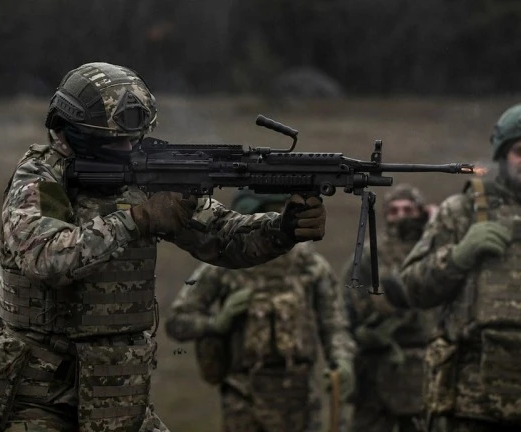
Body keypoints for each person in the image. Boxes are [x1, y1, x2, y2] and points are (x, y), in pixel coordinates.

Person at [0, 62, 327, 432]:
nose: (128, 148)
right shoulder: (42, 178)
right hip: (39, 399)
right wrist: (136, 220)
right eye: (115, 140)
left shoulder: (145, 173)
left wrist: (282, 229)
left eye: (134, 138)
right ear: (76, 132)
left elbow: (223, 237)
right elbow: (47, 257)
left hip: (119, 397)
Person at [165, 190, 355, 432]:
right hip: (244, 399)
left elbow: (334, 323)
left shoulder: (310, 266)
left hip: (300, 399)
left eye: (279, 214)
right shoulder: (223, 265)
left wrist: (341, 360)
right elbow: (177, 321)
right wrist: (217, 323)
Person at [385, 103, 521, 431]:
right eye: (520, 151)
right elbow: (412, 287)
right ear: (503, 155)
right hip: (472, 403)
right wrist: (458, 256)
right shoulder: (462, 212)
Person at [341, 184, 436, 432]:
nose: (401, 216)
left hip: (427, 362)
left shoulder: (434, 251)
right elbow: (350, 308)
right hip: (378, 364)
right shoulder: (368, 256)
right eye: (394, 210)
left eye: (408, 209)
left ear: (421, 212)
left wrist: (436, 225)